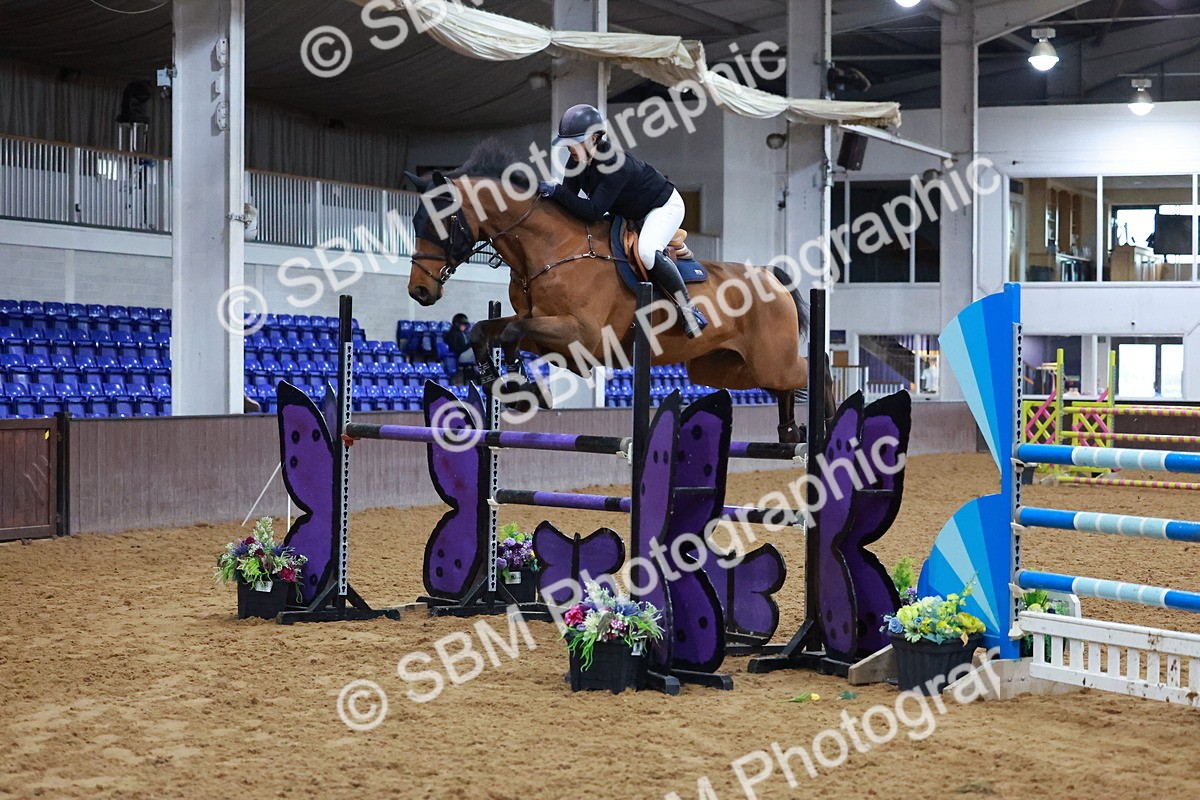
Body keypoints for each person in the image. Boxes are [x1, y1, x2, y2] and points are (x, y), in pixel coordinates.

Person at [537, 103, 707, 339]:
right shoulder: (575, 162)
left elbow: (593, 210)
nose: (569, 148)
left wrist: (555, 191)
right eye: (567, 142)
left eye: (575, 141)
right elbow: (569, 202)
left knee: (647, 252)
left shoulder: (614, 163)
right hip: (629, 213)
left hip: (662, 206)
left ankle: (689, 310)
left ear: (595, 138)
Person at [443, 313, 476, 384]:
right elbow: (458, 349)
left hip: (463, 354)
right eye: (462, 324)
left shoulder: (461, 333)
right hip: (460, 356)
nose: (464, 326)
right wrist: (470, 343)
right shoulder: (454, 334)